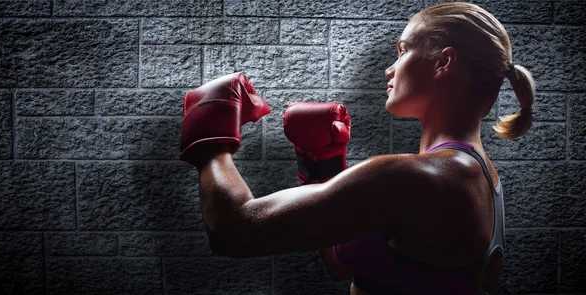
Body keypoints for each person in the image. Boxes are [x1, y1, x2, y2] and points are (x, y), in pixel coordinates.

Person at [179, 2, 535, 294]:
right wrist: (322, 169)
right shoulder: (481, 176)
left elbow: (233, 231)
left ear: (444, 62)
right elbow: (343, 263)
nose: (389, 69)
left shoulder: (420, 177)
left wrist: (211, 137)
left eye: (403, 50)